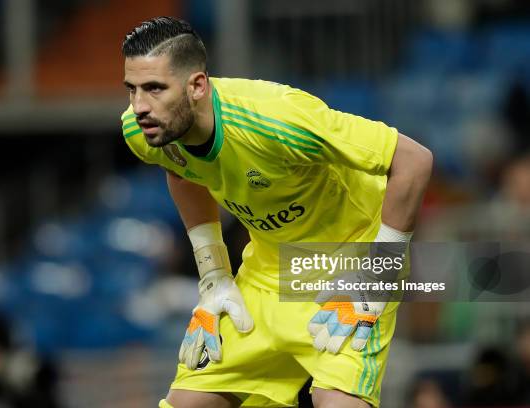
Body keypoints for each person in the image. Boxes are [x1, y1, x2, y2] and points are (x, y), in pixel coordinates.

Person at [121, 16, 432, 408]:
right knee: (188, 403)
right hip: (269, 272)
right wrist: (214, 273)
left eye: (154, 89)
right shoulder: (144, 130)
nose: (139, 106)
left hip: (352, 264)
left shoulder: (279, 120)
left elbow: (415, 161)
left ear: (197, 85)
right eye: (131, 89)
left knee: (337, 403)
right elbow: (183, 170)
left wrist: (377, 278)